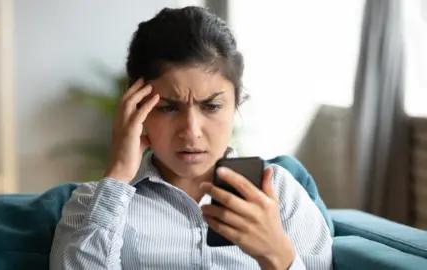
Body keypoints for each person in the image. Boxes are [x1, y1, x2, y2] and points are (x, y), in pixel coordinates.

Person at [50, 6, 333, 270]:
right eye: (168, 107)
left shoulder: (283, 198)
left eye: (211, 106)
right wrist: (117, 179)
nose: (191, 131)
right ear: (136, 108)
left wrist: (278, 255)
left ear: (236, 105)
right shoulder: (91, 204)